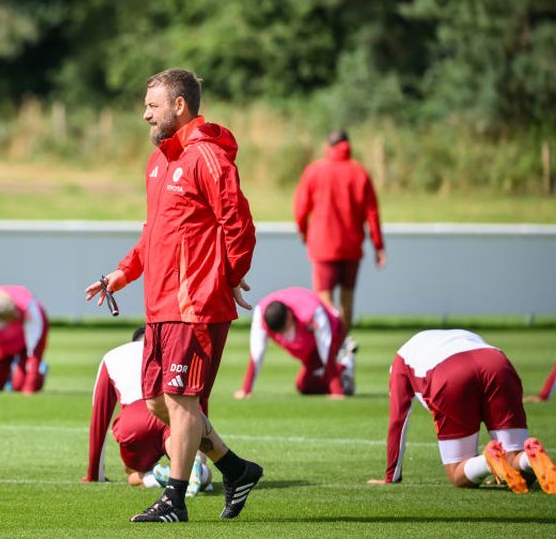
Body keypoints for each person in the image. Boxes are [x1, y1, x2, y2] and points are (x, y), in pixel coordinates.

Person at [85, 68, 263, 522]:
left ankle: (174, 500)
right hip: (160, 305)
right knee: (157, 403)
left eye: (152, 105)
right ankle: (234, 468)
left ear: (179, 106)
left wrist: (228, 276)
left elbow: (238, 224)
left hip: (195, 305)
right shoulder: (159, 162)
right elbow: (154, 234)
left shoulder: (208, 156)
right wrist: (121, 275)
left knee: (181, 401)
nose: (145, 114)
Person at [369, 329, 555, 493]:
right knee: (515, 455)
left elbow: (398, 421)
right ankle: (531, 457)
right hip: (497, 363)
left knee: (458, 473)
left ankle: (488, 460)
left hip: (451, 374)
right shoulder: (458, 335)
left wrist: (391, 477)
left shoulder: (400, 360)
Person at [83, 327, 212, 495]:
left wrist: (94, 474)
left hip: (135, 419)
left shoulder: (113, 355)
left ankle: (151, 477)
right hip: (175, 410)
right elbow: (198, 400)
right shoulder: (175, 348)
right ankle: (201, 473)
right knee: (186, 455)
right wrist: (201, 453)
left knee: (131, 472)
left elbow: (99, 420)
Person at [293, 129, 386, 331]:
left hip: (323, 245)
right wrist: (378, 246)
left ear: (328, 146)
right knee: (348, 299)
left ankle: (330, 344)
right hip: (352, 246)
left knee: (323, 297)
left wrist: (304, 231)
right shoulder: (359, 172)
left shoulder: (315, 170)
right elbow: (372, 214)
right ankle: (343, 346)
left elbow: (300, 208)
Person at [233, 287, 354, 400]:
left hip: (332, 334)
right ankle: (343, 377)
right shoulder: (260, 314)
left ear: (289, 315)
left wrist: (336, 391)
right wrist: (246, 389)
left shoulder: (311, 311)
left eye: (285, 328)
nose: (284, 335)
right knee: (305, 386)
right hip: (310, 346)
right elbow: (256, 352)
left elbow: (325, 347)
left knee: (314, 380)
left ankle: (345, 364)